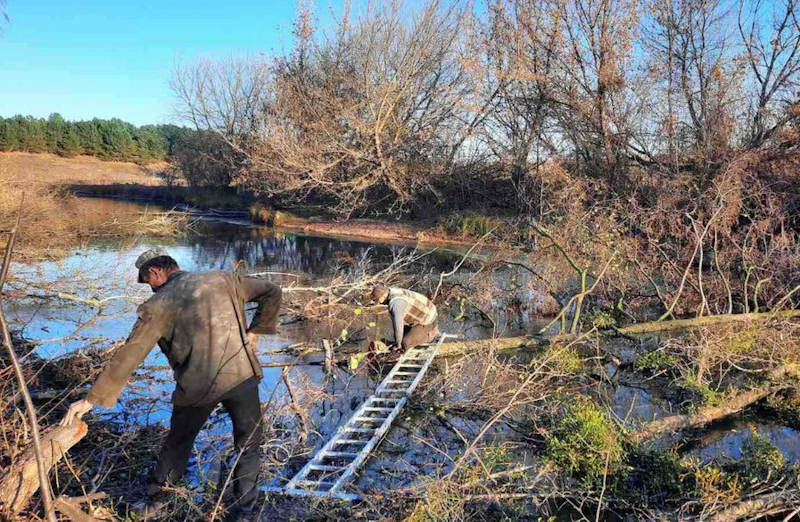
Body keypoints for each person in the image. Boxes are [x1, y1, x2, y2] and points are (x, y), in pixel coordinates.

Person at [61, 247, 281, 520]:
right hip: (242, 376)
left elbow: (131, 352)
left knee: (178, 444)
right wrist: (256, 331)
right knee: (248, 445)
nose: (149, 289)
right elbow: (272, 291)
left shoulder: (159, 304)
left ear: (155, 272)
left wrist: (92, 399)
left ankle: (157, 504)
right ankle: (245, 513)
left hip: (197, 388)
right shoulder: (223, 279)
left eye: (146, 282)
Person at [370, 283, 439, 350]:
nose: (380, 303)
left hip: (428, 320)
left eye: (379, 301)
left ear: (382, 298)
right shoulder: (392, 291)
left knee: (406, 343)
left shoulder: (395, 303)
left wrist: (398, 344)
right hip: (421, 316)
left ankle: (431, 335)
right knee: (399, 336)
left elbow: (398, 325)